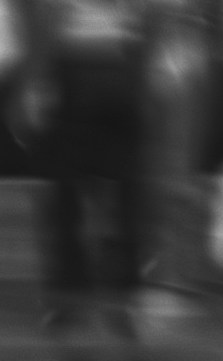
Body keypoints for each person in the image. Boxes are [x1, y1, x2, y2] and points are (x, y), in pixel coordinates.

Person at [10, 0, 163, 325]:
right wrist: (37, 79)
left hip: (113, 68)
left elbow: (151, 16)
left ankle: (115, 292)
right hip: (79, 68)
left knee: (119, 193)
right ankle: (79, 292)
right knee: (70, 193)